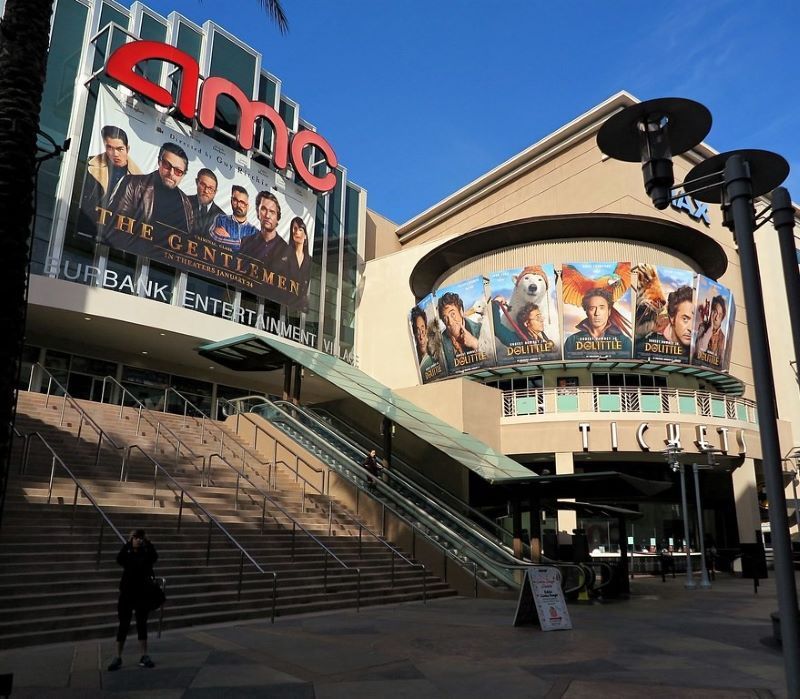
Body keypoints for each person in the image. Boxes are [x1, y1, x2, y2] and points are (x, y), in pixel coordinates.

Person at [103, 142, 194, 247]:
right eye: (167, 165)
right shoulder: (132, 184)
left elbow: (188, 241)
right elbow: (114, 224)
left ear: (183, 174)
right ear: (159, 162)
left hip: (166, 260)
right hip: (129, 255)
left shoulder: (186, 203)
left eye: (178, 171)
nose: (171, 173)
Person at [107, 529, 159, 671]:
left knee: (142, 624)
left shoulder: (146, 553)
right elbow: (119, 559)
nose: (138, 540)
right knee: (123, 624)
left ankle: (144, 655)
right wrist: (128, 543)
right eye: (135, 538)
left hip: (142, 593)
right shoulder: (127, 552)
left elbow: (155, 556)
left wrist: (148, 542)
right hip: (127, 593)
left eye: (140, 538)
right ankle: (117, 656)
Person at [79, 125, 141, 236]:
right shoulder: (90, 165)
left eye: (120, 149)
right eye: (110, 148)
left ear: (128, 149)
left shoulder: (141, 178)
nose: (115, 154)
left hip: (119, 234)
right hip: (90, 226)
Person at [563, 287, 632, 357]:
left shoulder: (624, 342)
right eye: (592, 308)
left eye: (601, 308)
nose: (597, 313)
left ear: (609, 311)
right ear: (586, 312)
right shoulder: (572, 341)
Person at [637, 285, 694, 356]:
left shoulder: (696, 354)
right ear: (672, 318)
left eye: (695, 321)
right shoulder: (645, 348)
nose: (691, 328)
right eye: (685, 319)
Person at [239, 191, 289, 271]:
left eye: (272, 212)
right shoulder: (246, 242)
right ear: (258, 213)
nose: (267, 215)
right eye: (263, 209)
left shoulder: (286, 250)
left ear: (277, 217)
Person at [437, 291, 481, 372]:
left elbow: (493, 358)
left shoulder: (480, 329)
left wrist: (475, 343)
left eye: (453, 314)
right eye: (445, 318)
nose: (450, 322)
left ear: (461, 311)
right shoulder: (440, 343)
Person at [187, 168, 224, 237]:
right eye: (203, 185)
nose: (206, 191)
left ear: (215, 192)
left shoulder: (222, 218)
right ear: (196, 182)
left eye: (210, 188)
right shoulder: (183, 202)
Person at [285, 216, 311, 306]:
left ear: (305, 236)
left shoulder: (309, 260)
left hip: (300, 305)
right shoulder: (286, 256)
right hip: (285, 300)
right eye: (294, 229)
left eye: (300, 229)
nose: (297, 232)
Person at [695, 294, 727, 361]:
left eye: (720, 315)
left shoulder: (723, 338)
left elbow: (721, 363)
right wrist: (710, 330)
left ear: (722, 317)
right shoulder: (703, 327)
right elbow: (698, 352)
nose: (716, 318)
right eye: (715, 312)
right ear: (711, 311)